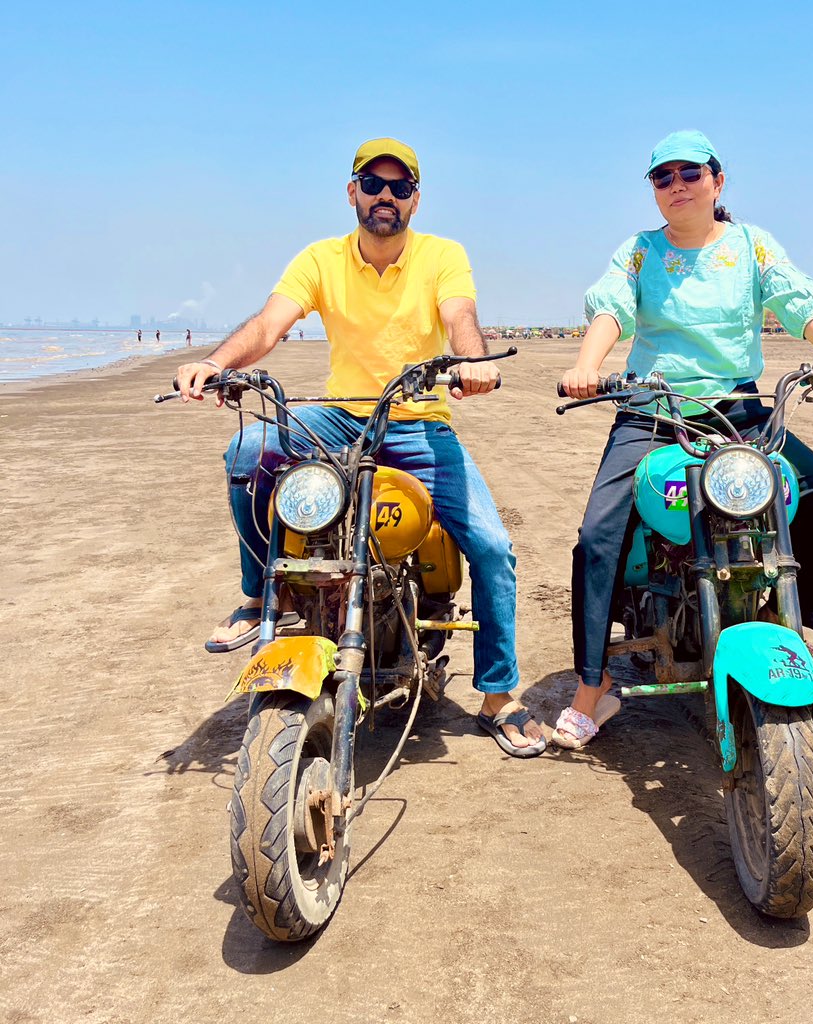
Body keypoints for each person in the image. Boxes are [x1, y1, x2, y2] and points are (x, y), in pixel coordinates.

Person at [175, 137, 545, 757]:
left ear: (415, 201)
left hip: (420, 419)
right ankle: (255, 594)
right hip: (342, 415)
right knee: (248, 449)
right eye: (373, 184)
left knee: (493, 546)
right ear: (352, 192)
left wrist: (473, 364)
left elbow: (460, 317)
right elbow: (271, 323)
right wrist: (216, 363)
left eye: (400, 188)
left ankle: (498, 696)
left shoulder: (441, 255)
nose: (385, 196)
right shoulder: (321, 258)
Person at [553, 130, 813, 748]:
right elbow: (612, 311)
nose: (677, 185)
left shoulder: (753, 246)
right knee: (599, 534)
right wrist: (586, 365)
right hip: (654, 405)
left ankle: (797, 626)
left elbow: (795, 304)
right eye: (663, 177)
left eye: (690, 173)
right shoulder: (640, 252)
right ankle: (592, 690)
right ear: (653, 190)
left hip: (736, 406)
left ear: (718, 181)